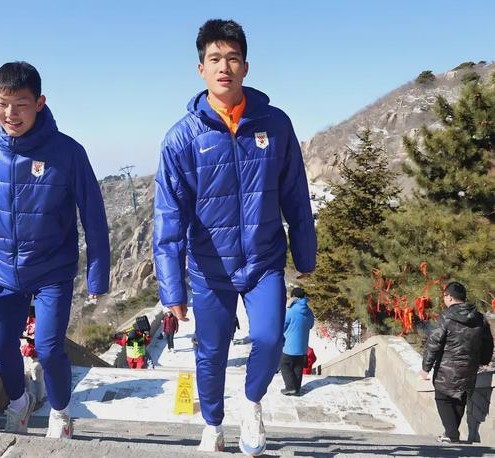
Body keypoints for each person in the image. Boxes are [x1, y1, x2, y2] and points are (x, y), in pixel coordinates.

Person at [153, 19, 316, 455]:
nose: (224, 67)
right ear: (201, 69)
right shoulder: (182, 138)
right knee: (211, 353)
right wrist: (172, 288)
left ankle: (252, 403)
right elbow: (168, 219)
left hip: (263, 260)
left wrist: (305, 253)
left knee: (269, 339)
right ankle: (212, 423)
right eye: (215, 59)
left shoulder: (275, 125)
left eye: (232, 58)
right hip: (210, 268)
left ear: (245, 66)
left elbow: (295, 194)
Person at [0, 62, 110, 439]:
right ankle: (18, 402)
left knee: (48, 348)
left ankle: (61, 413)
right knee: (0, 351)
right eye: (2, 104)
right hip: (0, 272)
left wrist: (97, 276)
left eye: (21, 105)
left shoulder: (68, 152)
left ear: (40, 103)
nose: (11, 114)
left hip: (52, 270)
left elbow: (93, 217)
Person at [421, 282, 493, 443]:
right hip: (469, 369)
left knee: (443, 398)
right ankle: (451, 433)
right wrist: (484, 360)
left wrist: (426, 368)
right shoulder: (480, 317)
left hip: (447, 368)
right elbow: (488, 342)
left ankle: (452, 434)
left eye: (444, 296)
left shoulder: (446, 316)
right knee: (460, 398)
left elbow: (434, 342)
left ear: (449, 297)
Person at [280, 288, 315, 396]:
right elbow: (311, 325)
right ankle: (297, 389)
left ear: (293, 297)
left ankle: (290, 388)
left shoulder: (291, 311)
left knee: (284, 365)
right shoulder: (309, 311)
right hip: (303, 347)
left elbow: (282, 327)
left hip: (289, 346)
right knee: (298, 367)